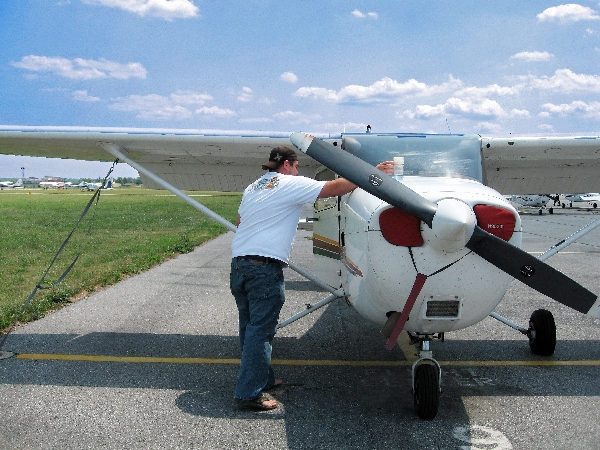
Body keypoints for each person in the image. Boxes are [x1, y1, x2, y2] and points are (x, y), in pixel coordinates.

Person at [230, 145, 394, 410]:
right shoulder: (287, 183)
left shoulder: (254, 187)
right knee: (260, 331)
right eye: (296, 167)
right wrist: (370, 175)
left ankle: (263, 378)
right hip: (263, 269)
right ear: (287, 165)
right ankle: (249, 392)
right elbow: (333, 187)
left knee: (249, 328)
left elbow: (240, 219)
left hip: (239, 265)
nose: (297, 171)